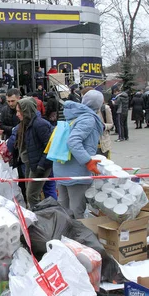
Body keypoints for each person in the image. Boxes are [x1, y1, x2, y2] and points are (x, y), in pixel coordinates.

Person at [54, 90, 105, 218]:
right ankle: (78, 237)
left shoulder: (73, 114)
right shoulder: (88, 119)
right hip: (76, 170)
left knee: (64, 209)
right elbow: (73, 142)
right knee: (77, 210)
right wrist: (88, 161)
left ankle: (64, 235)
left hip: (62, 166)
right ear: (99, 105)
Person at [15, 98, 54, 208]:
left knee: (32, 195)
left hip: (39, 165)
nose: (17, 114)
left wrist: (41, 166)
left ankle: (38, 219)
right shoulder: (26, 123)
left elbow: (49, 147)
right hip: (31, 164)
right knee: (30, 194)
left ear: (26, 111)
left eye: (19, 111)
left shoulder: (40, 124)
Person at [82, 87, 113, 159]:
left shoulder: (104, 108)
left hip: (103, 144)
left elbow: (111, 124)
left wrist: (103, 126)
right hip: (88, 145)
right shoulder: (82, 110)